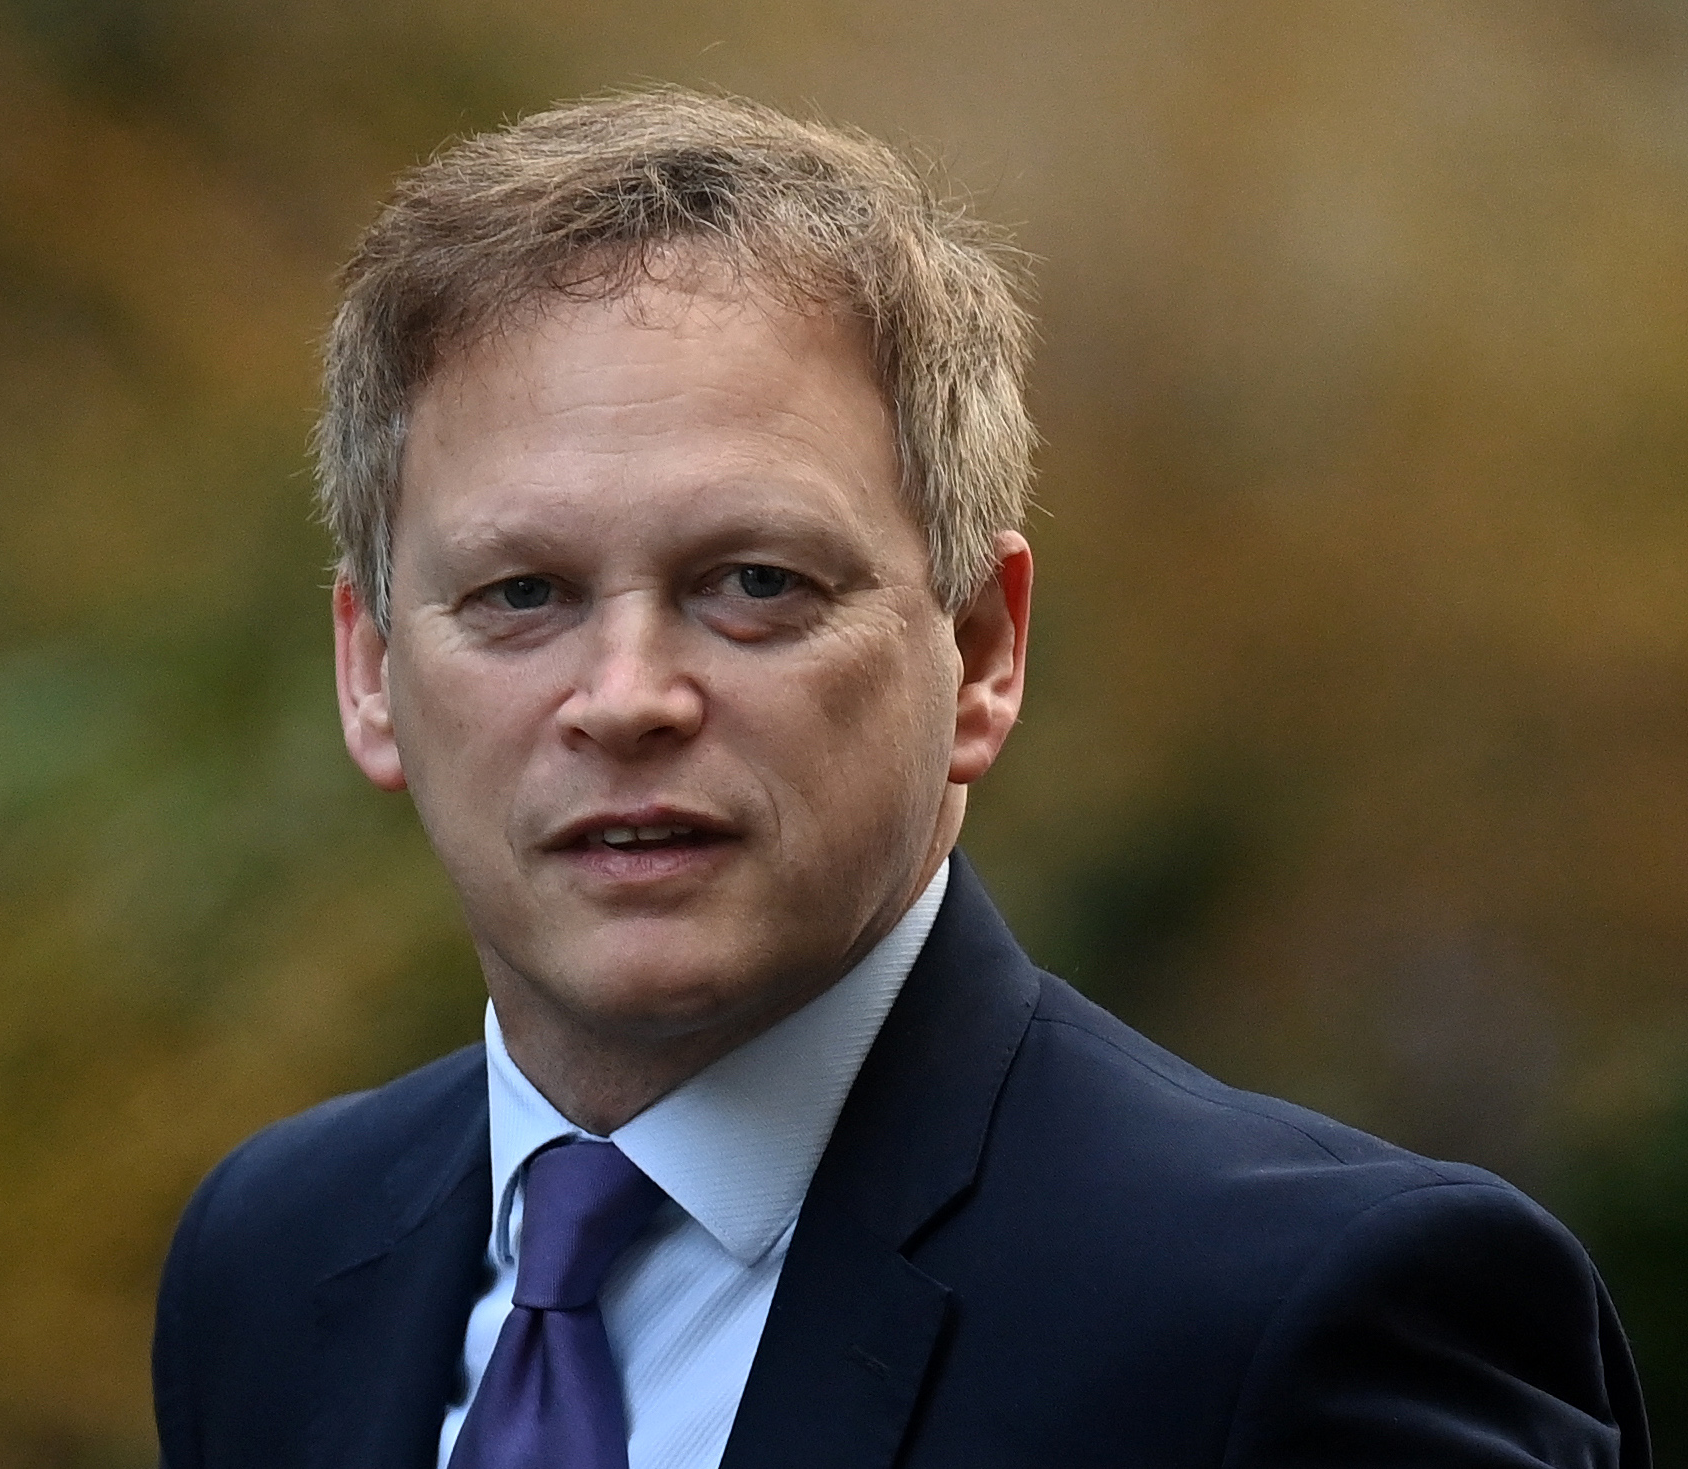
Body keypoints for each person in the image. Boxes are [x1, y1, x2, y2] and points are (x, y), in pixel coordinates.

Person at [151, 89, 1649, 1469]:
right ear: (370, 670)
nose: (625, 698)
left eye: (752, 581)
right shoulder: (272, 1260)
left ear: (983, 651)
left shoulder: (1309, 1322)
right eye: (522, 594)